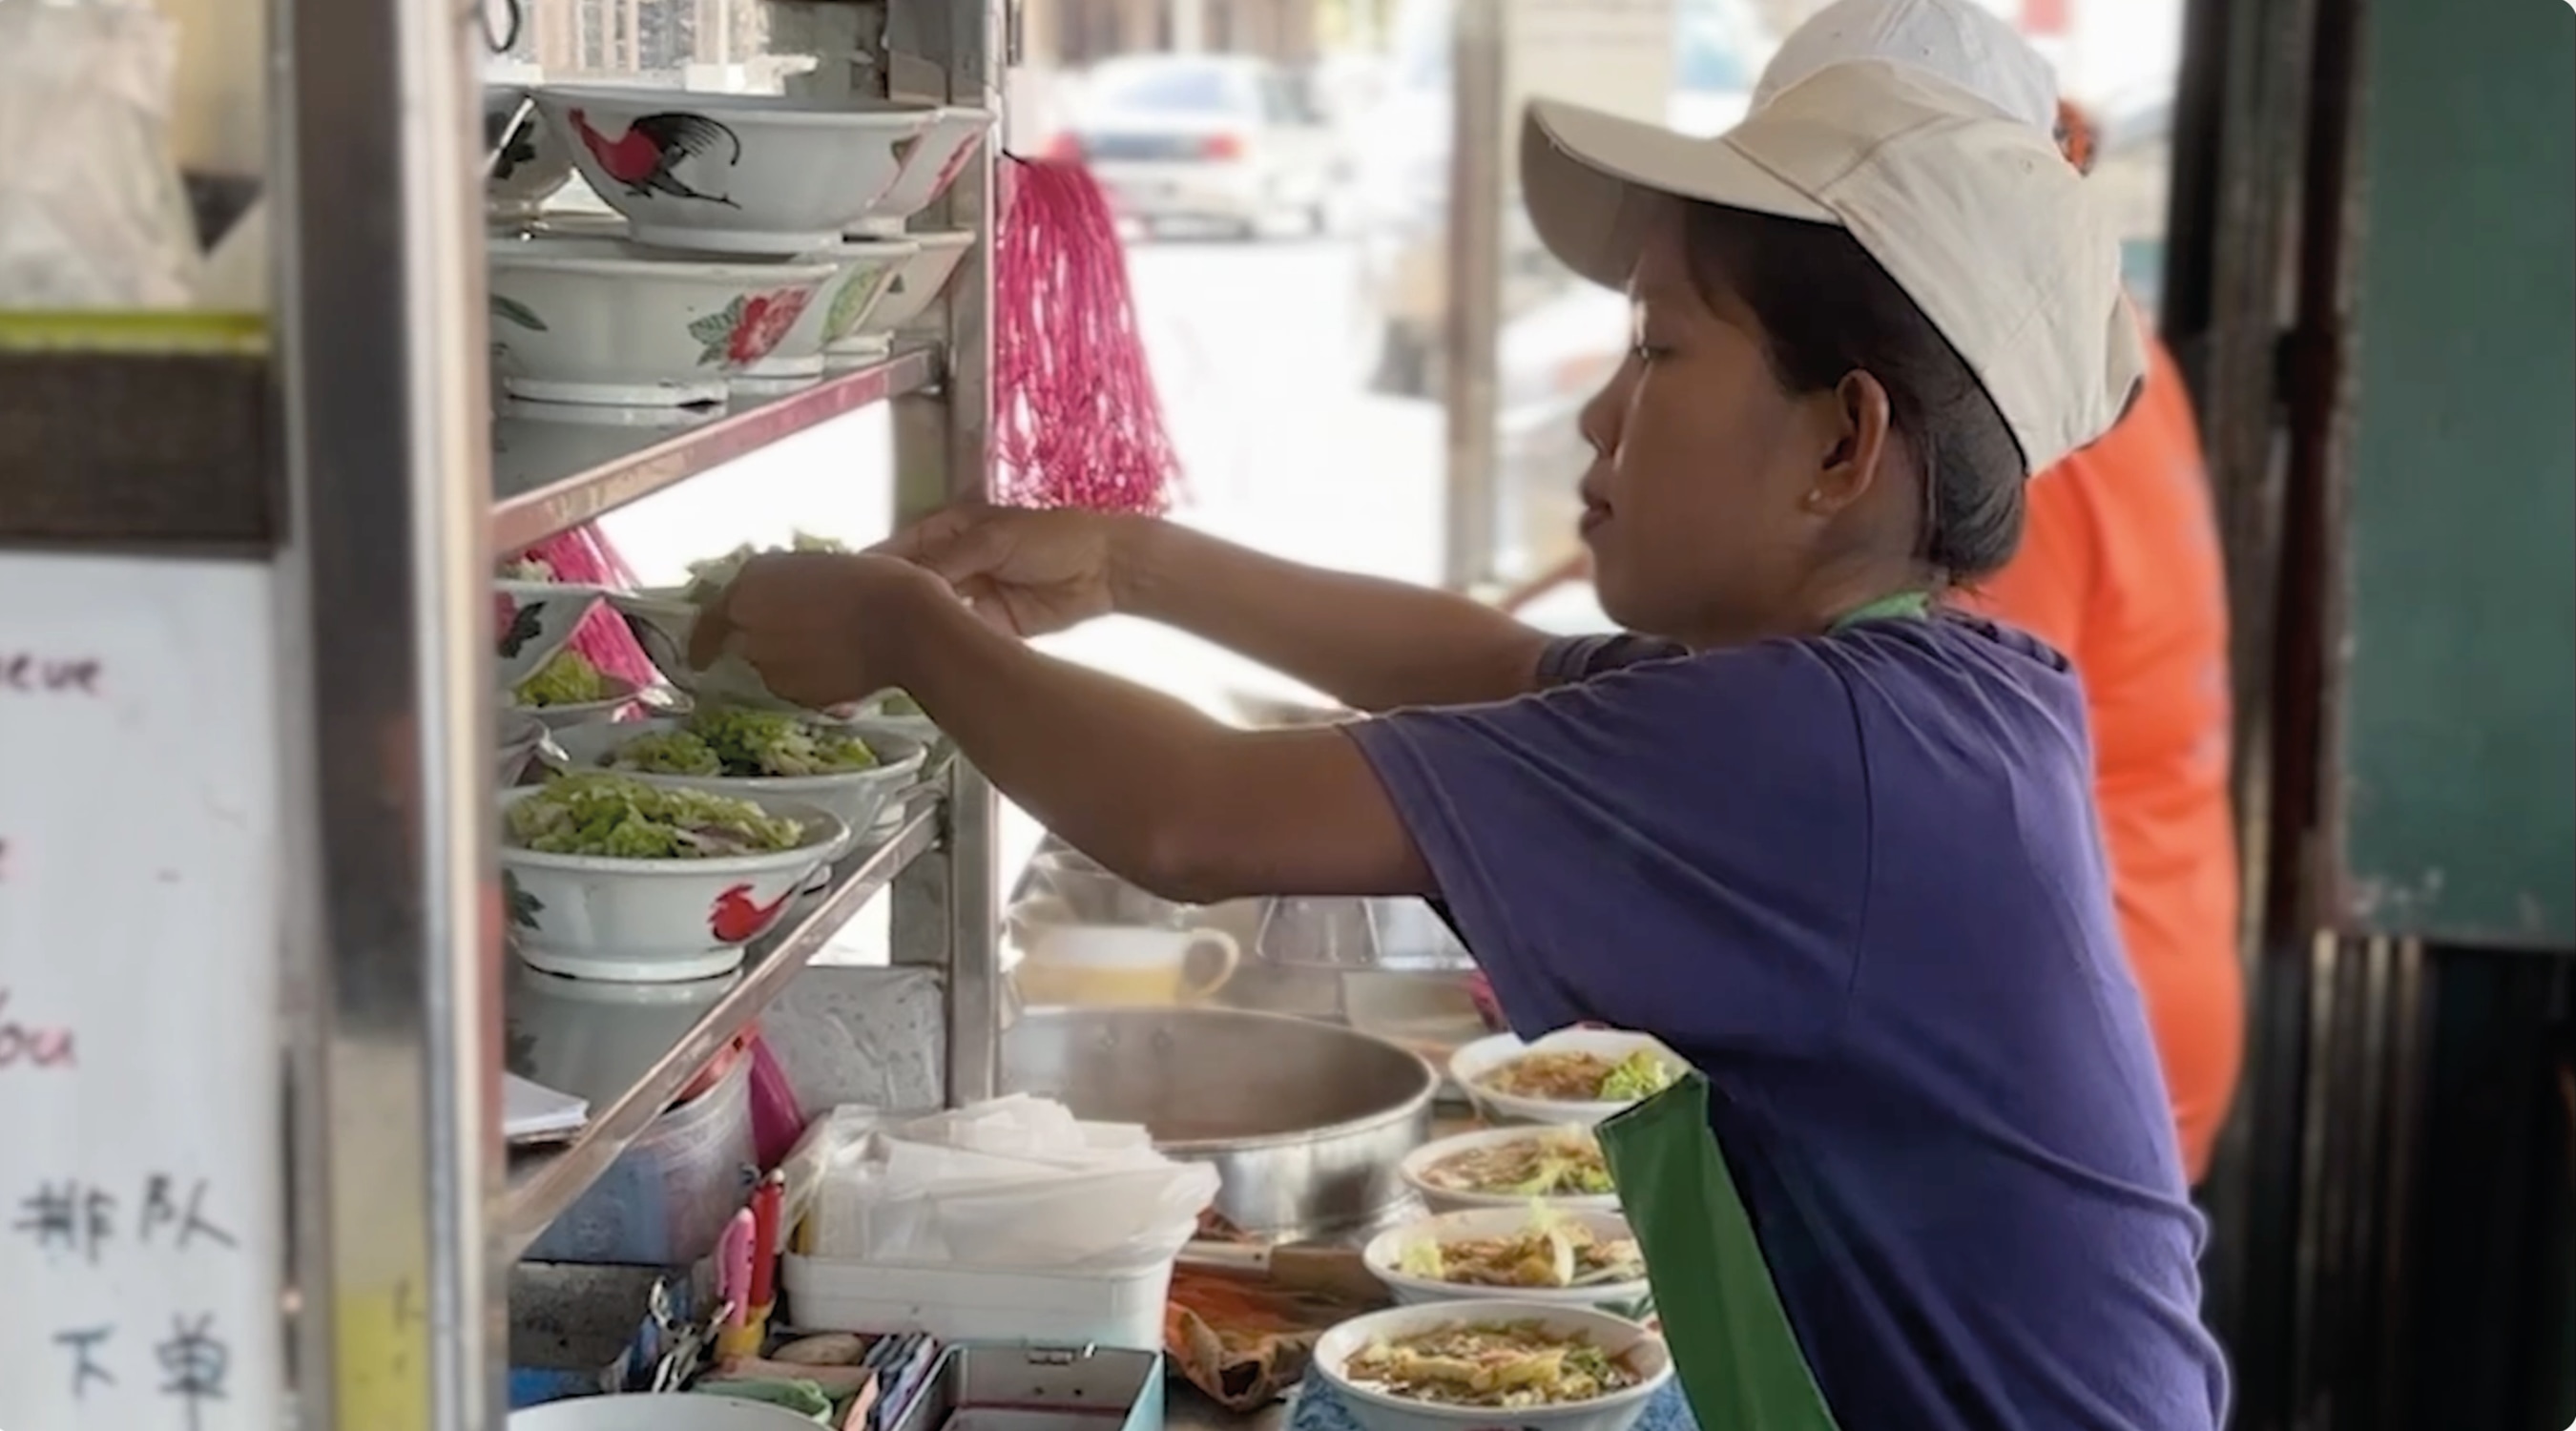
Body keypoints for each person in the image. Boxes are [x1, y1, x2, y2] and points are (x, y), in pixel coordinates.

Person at [693, 47, 2228, 1431]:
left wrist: (904, 631)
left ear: (1844, 441)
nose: (1598, 418)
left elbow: (1191, 815)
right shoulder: (1926, 688)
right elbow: (1499, 666)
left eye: (1659, 351)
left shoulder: (1814, 750)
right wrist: (1131, 563)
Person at [1498, 2, 2248, 1183]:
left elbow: (1861, 793)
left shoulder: (1976, 450)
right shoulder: (2071, 359)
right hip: (2147, 976)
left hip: (2068, 1045)